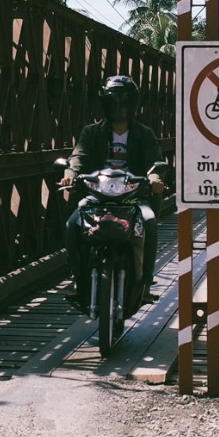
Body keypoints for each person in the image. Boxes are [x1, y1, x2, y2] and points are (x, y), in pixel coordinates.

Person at [61, 74, 170, 313]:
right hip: (98, 195)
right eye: (113, 101)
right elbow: (78, 156)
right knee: (72, 224)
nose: (119, 106)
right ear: (105, 103)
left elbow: (156, 161)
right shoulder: (91, 132)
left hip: (133, 195)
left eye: (124, 101)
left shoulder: (144, 133)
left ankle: (146, 282)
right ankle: (77, 278)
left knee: (150, 221)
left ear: (133, 104)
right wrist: (71, 173)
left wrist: (154, 178)